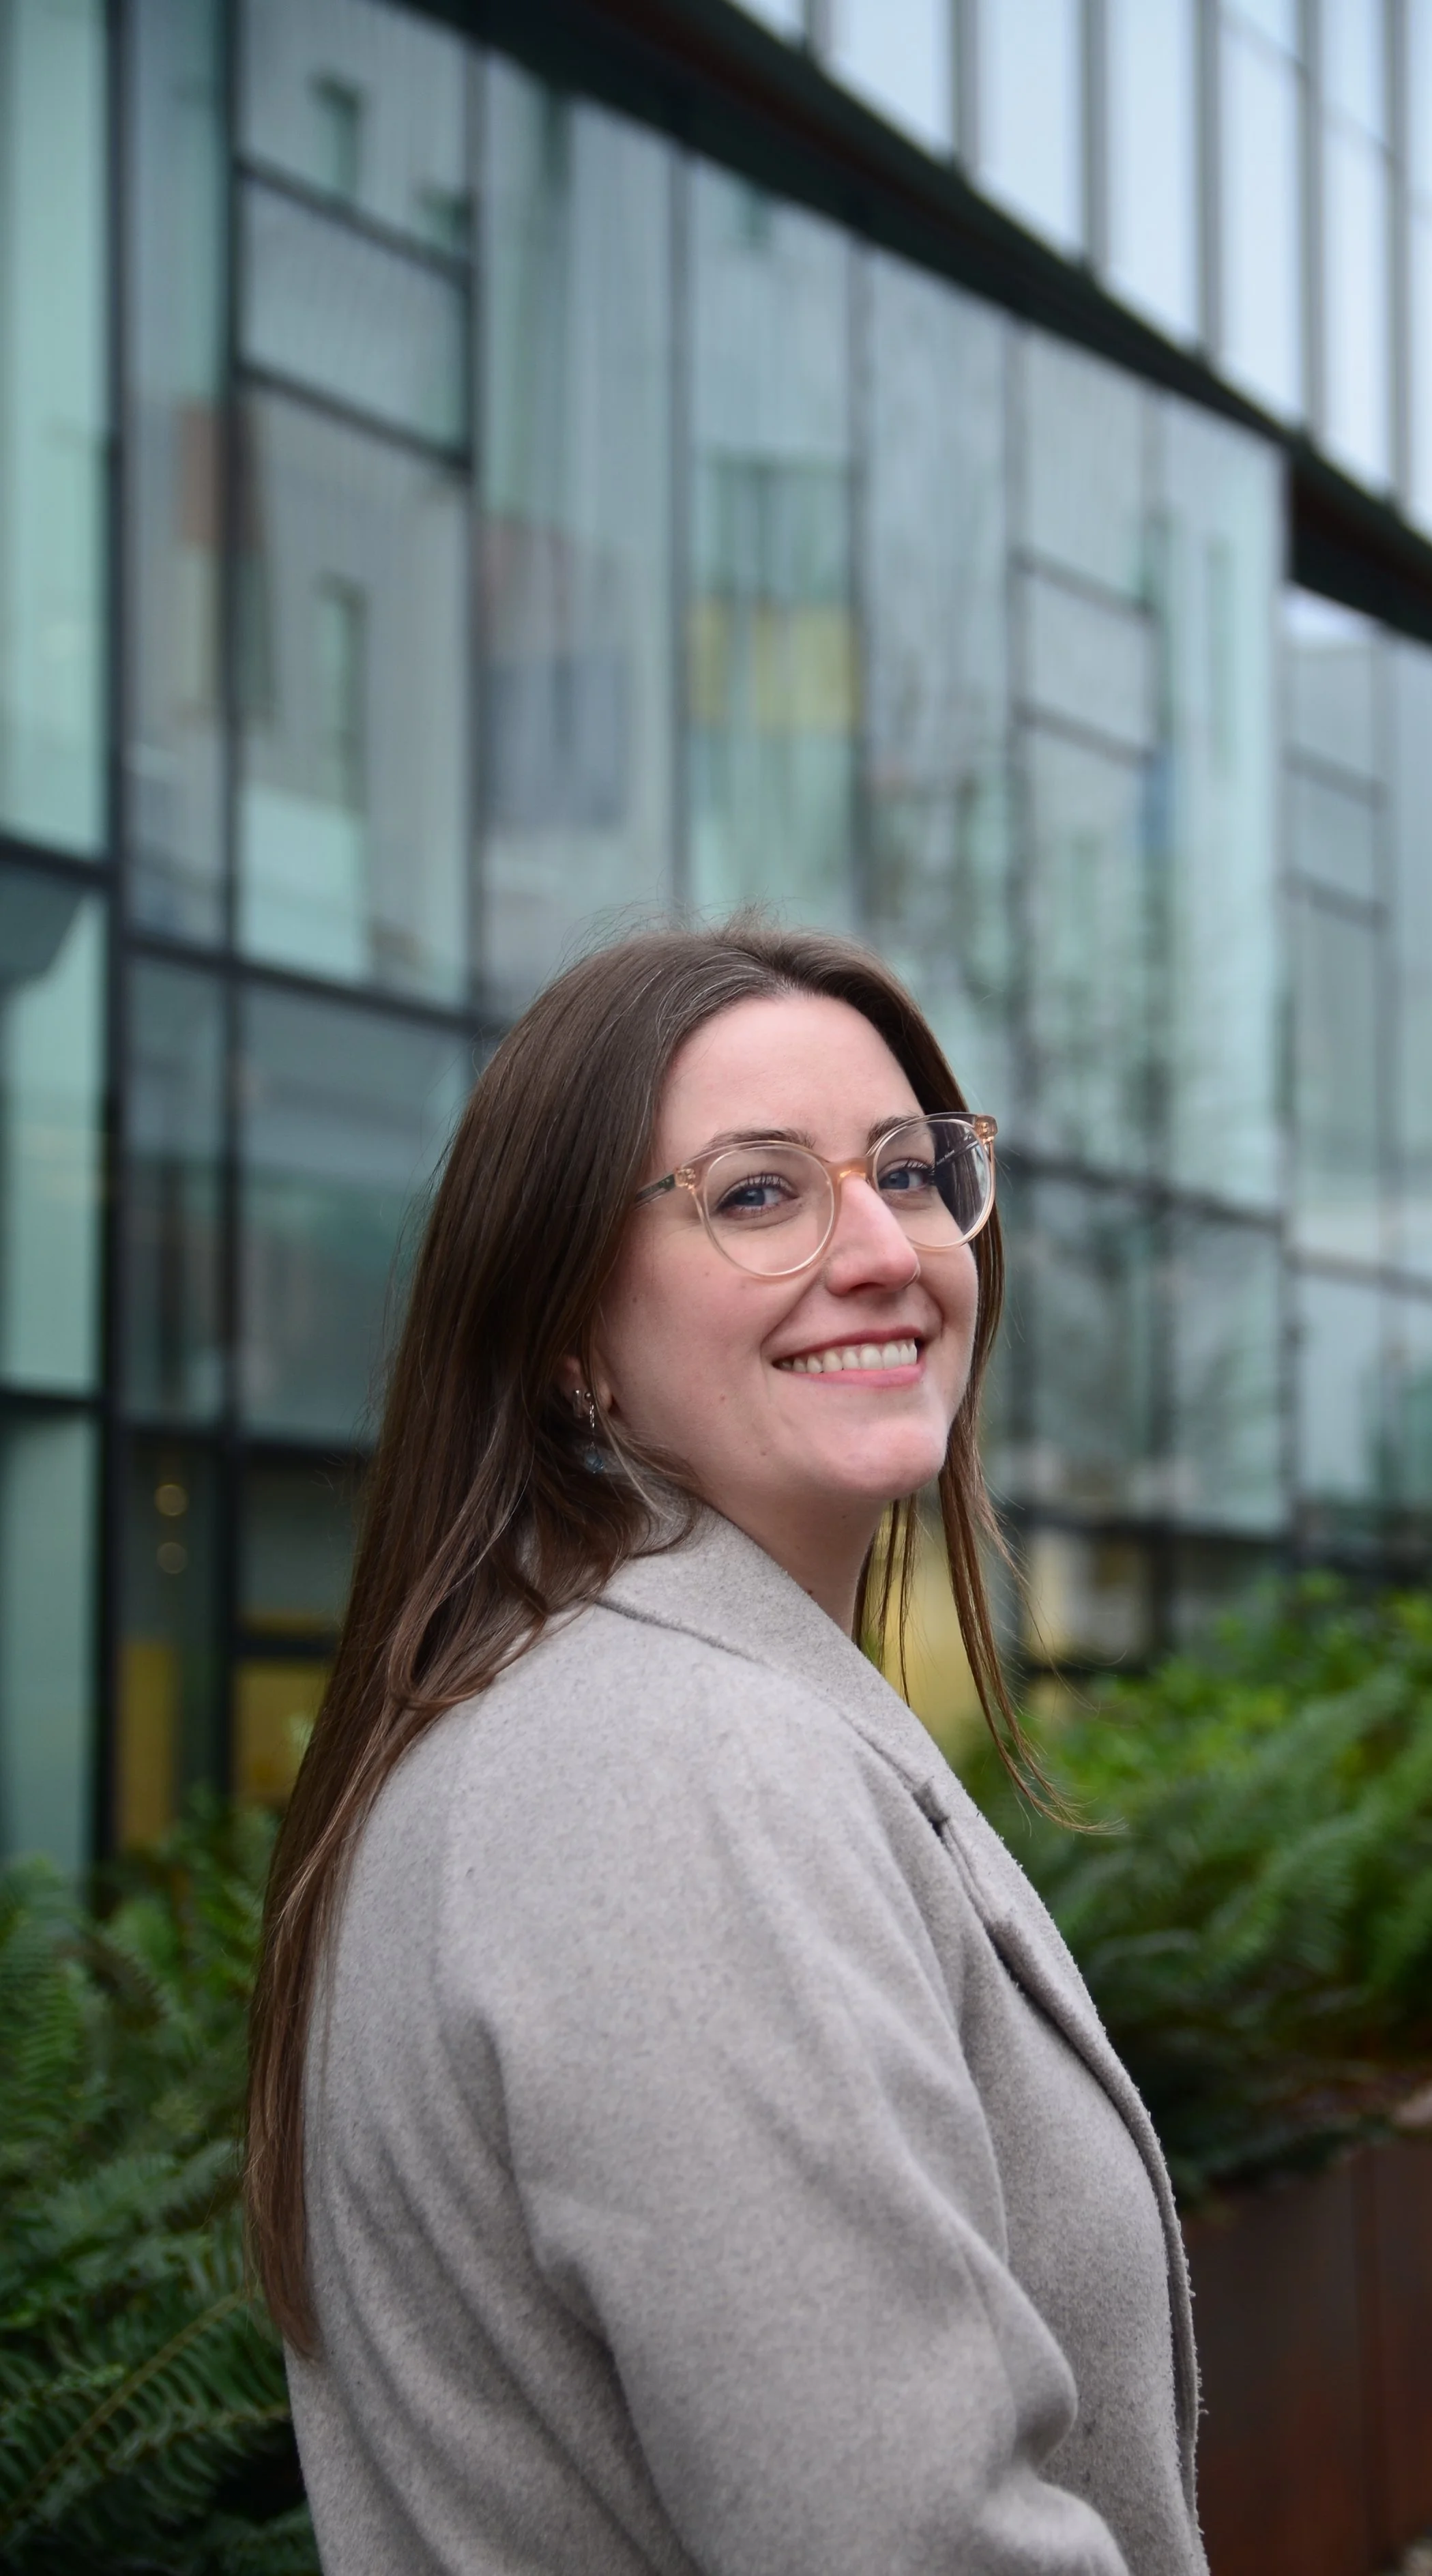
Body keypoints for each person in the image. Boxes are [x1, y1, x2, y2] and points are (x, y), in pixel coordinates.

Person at [246, 919, 1206, 2576]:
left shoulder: (599, 1714)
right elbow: (903, 2539)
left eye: (909, 1173)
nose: (885, 1248)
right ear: (562, 1339)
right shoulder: (667, 1771)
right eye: (757, 1194)